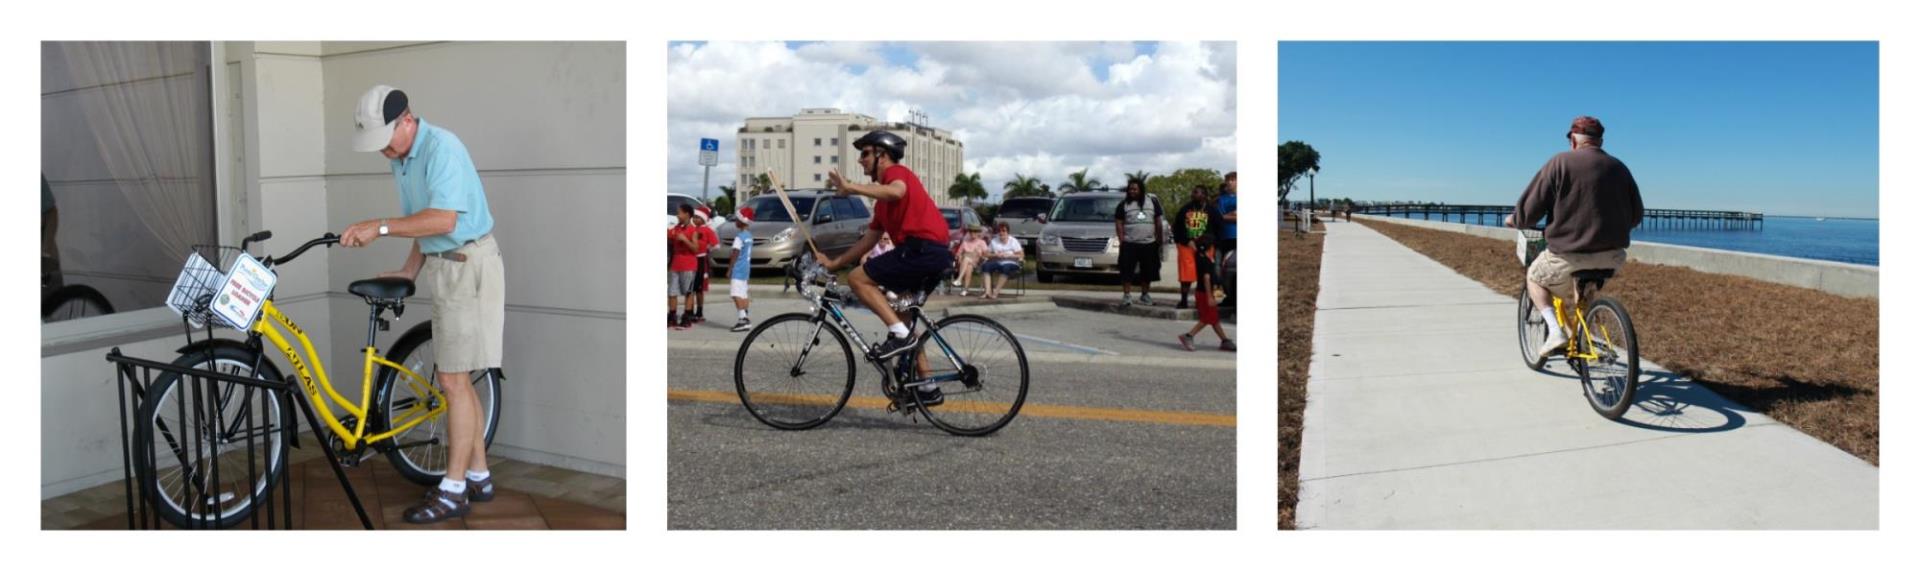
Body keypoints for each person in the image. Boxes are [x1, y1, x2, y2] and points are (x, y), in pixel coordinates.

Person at [340, 85, 504, 524]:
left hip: (467, 265)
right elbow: (425, 223)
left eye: (385, 139)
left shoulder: (441, 148)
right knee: (458, 376)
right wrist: (409, 270)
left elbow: (444, 219)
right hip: (447, 264)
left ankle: (453, 491)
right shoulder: (402, 156)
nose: (382, 151)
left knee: (452, 381)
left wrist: (378, 226)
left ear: (406, 121)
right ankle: (479, 475)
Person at [817, 130, 954, 404]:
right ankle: (928, 388)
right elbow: (868, 241)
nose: (860, 160)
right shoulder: (882, 205)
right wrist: (834, 263)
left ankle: (901, 337)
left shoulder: (897, 173)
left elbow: (897, 191)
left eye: (865, 153)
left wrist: (852, 187)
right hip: (924, 253)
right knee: (903, 316)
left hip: (922, 249)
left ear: (883, 155)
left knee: (858, 280)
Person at [1504, 116, 1644, 360]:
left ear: (1573, 140)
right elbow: (1636, 216)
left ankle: (1556, 331)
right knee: (1584, 287)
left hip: (1568, 254)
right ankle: (1580, 336)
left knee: (1535, 279)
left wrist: (1514, 220)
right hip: (1612, 256)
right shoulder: (1619, 167)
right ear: (1600, 140)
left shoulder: (1560, 162)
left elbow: (1530, 208)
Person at [1177, 234, 1235, 352]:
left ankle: (1225, 340)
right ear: (1210, 248)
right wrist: (1210, 296)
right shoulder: (1204, 261)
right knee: (1208, 318)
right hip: (1205, 293)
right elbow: (1207, 278)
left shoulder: (1204, 258)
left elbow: (1214, 278)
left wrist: (1219, 295)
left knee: (1214, 318)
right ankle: (1188, 336)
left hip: (1214, 291)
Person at [1113, 177, 1164, 305]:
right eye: (1130, 189)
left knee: (1147, 271)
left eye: (1135, 189)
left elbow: (1158, 221)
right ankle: (1127, 296)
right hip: (1130, 244)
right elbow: (1118, 222)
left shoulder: (1152, 202)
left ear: (1141, 190)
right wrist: (1121, 239)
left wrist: (1159, 238)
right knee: (1126, 271)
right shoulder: (1123, 204)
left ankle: (1145, 295)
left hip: (1149, 244)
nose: (1132, 191)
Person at [1171, 184, 1222, 309]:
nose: (1193, 194)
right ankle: (1184, 301)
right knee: (1186, 275)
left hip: (1206, 246)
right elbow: (1177, 228)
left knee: (1208, 273)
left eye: (1197, 192)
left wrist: (1210, 242)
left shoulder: (1212, 211)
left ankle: (1211, 300)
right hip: (1187, 246)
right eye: (1193, 192)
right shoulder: (1185, 210)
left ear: (1204, 195)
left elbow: (1218, 228)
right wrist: (1187, 241)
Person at [667, 205, 701, 330]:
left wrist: (685, 240)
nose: (677, 215)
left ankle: (686, 316)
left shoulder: (693, 230)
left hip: (688, 265)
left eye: (679, 213)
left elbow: (696, 249)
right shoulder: (676, 228)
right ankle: (672, 315)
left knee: (688, 292)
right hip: (675, 265)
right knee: (672, 292)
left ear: (687, 214)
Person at [728, 207, 756, 332]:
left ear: (742, 221)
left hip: (738, 269)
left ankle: (743, 319)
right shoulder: (749, 236)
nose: (735, 221)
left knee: (735, 294)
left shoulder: (739, 237)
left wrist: (730, 268)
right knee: (743, 294)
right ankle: (745, 316)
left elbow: (735, 253)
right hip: (746, 268)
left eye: (737, 219)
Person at [980, 221, 1024, 299]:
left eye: (1003, 230)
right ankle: (987, 292)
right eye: (999, 231)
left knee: (1006, 267)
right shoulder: (994, 241)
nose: (1001, 233)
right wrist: (995, 255)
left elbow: (1021, 255)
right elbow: (986, 254)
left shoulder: (1013, 241)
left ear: (1007, 232)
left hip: (1011, 262)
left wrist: (1010, 255)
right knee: (986, 266)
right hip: (998, 261)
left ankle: (995, 292)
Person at [691, 207, 719, 323]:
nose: (695, 219)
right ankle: (690, 311)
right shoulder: (692, 229)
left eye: (698, 217)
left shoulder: (707, 230)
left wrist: (707, 249)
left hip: (701, 260)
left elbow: (716, 244)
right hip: (691, 259)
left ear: (703, 219)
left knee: (699, 288)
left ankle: (699, 311)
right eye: (694, 217)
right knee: (690, 288)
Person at [1214, 172, 1238, 307]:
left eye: (1233, 180)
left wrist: (1226, 216)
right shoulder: (1221, 199)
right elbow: (1218, 216)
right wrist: (1232, 214)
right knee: (1217, 270)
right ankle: (1220, 297)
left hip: (1237, 237)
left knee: (1233, 270)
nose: (1229, 182)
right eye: (1228, 180)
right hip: (1222, 238)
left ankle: (1234, 298)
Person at [953, 225, 988, 296]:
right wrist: (959, 256)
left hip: (976, 262)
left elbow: (986, 255)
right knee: (968, 265)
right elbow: (958, 253)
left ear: (979, 233)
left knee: (967, 260)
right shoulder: (965, 242)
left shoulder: (982, 242)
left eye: (975, 232)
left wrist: (979, 253)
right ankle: (965, 290)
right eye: (971, 232)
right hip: (965, 262)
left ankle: (959, 279)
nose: (973, 233)